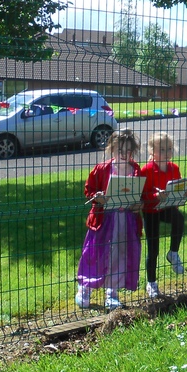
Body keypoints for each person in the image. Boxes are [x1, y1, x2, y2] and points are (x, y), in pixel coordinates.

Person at [76, 129, 143, 310]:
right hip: (103, 219)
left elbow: (139, 194)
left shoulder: (135, 169)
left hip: (126, 220)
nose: (123, 154)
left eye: (128, 151)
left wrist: (139, 204)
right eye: (119, 150)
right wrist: (97, 196)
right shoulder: (102, 169)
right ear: (111, 150)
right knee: (95, 253)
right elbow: (89, 190)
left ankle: (112, 292)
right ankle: (85, 287)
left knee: (120, 253)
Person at [141, 132, 187, 299]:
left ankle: (173, 253)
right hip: (151, 210)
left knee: (179, 219)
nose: (166, 152)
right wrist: (154, 197)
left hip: (167, 207)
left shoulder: (174, 168)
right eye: (162, 149)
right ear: (152, 151)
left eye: (169, 148)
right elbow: (141, 195)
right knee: (153, 248)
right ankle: (151, 283)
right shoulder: (146, 170)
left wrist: (184, 192)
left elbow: (178, 186)